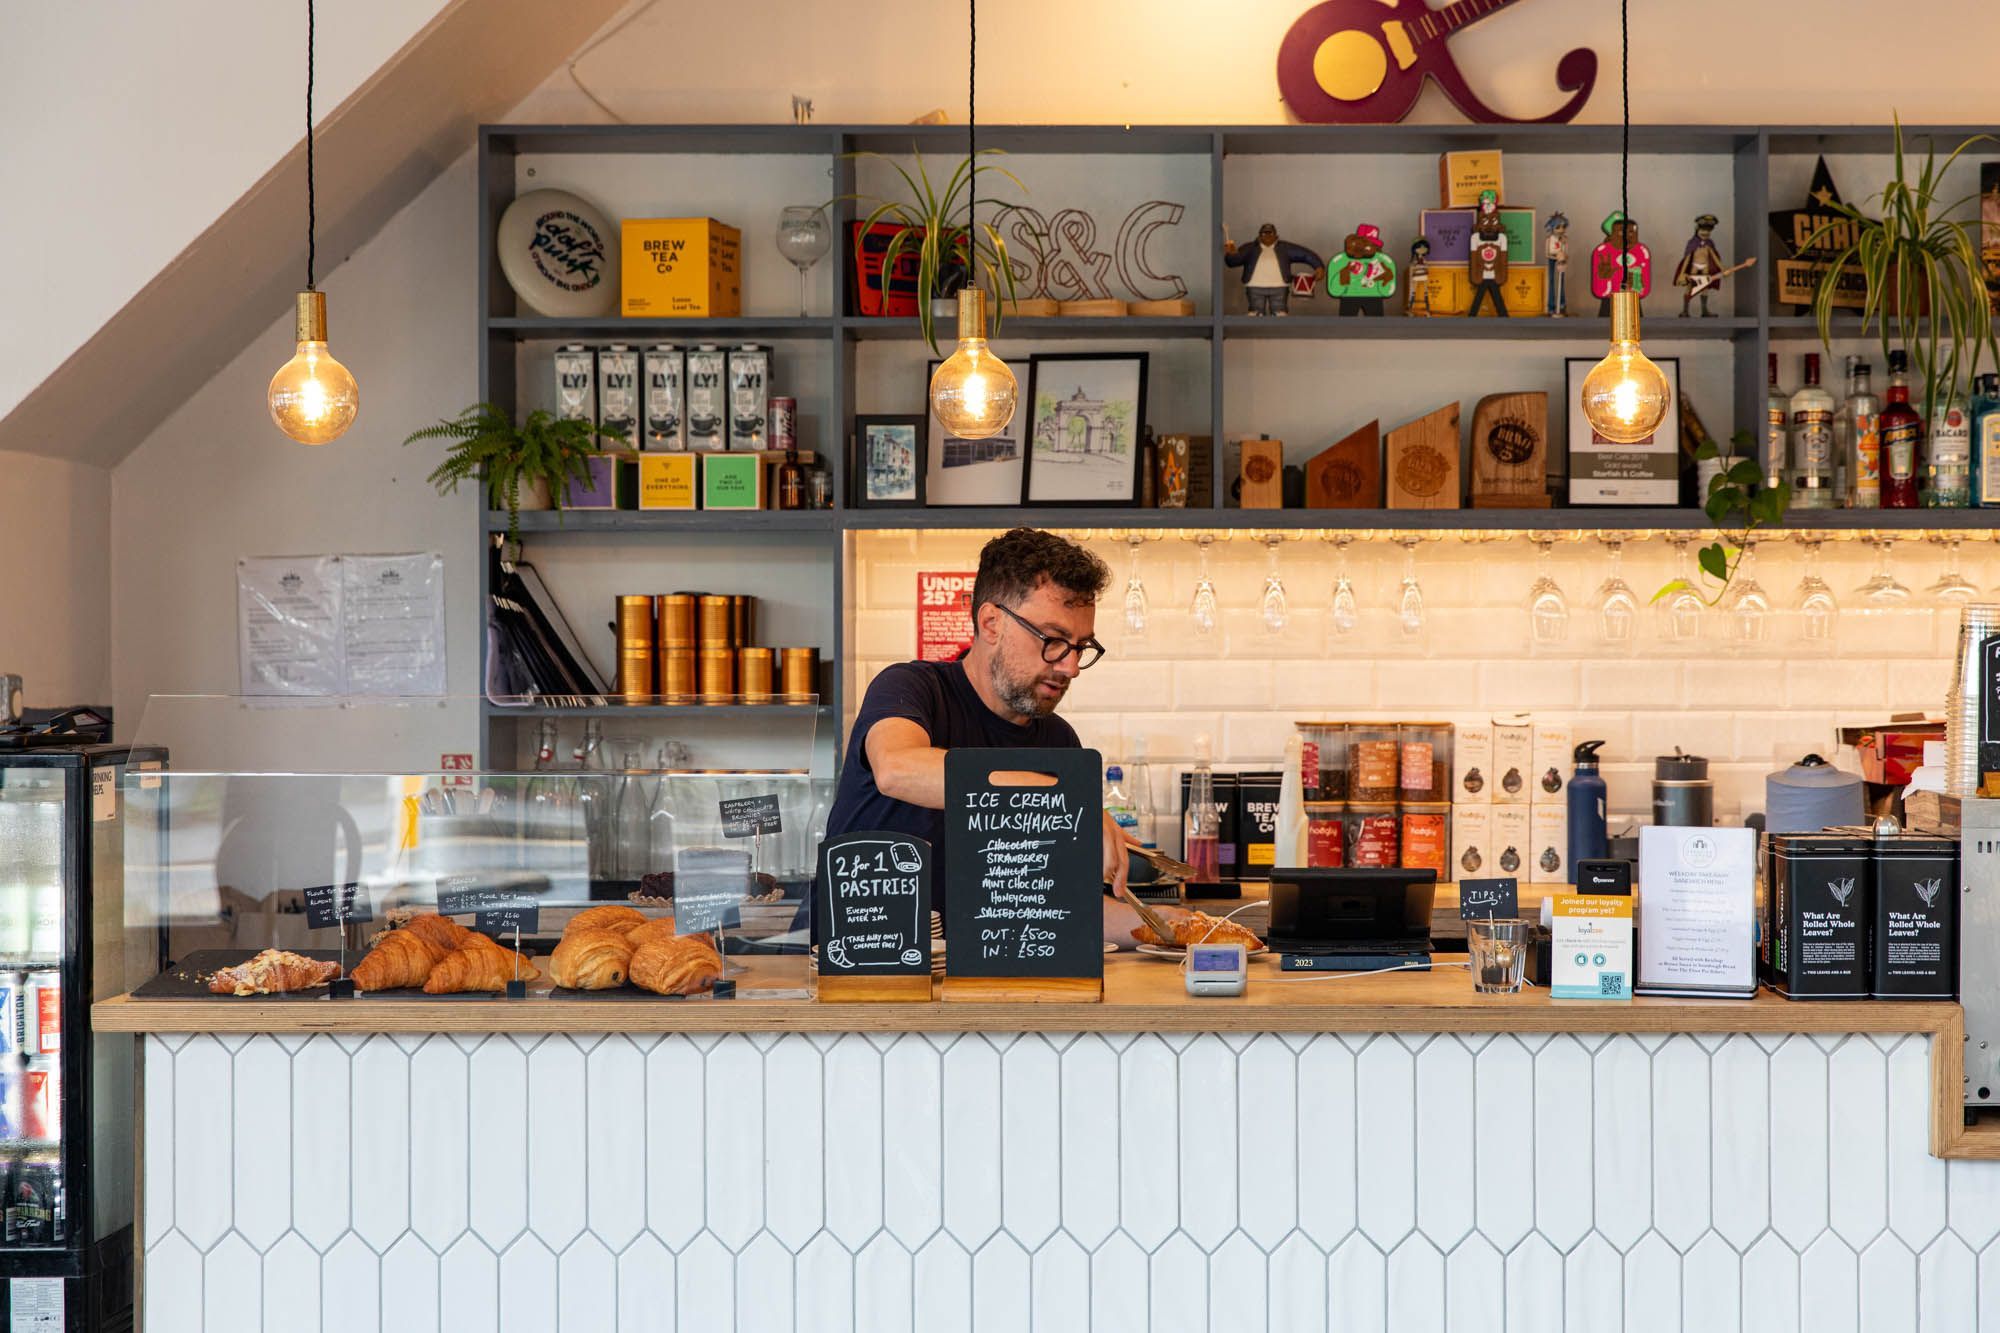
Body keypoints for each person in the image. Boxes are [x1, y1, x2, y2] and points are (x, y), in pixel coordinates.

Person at [826, 527, 1136, 917]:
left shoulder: (1058, 743)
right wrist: (1060, 799)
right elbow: (896, 769)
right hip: (854, 966)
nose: (1071, 667)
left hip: (975, 969)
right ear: (991, 622)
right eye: (1053, 640)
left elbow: (1058, 908)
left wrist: (1187, 927)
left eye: (1080, 646)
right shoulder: (912, 689)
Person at [1223, 223, 1323, 316]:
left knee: (1279, 310)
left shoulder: (1285, 248)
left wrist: (1318, 266)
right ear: (1259, 235)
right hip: (1255, 285)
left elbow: (1305, 254)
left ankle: (1278, 324)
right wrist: (1232, 255)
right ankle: (1256, 323)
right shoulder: (1250, 248)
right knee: (1256, 311)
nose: (1267, 236)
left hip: (1279, 286)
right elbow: (1233, 262)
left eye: (1270, 233)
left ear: (1276, 235)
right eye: (1264, 233)